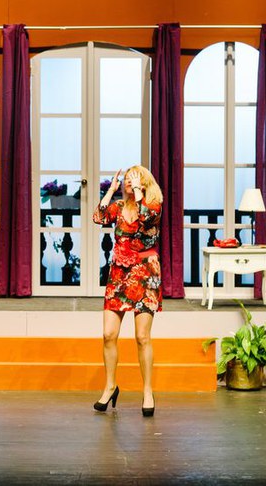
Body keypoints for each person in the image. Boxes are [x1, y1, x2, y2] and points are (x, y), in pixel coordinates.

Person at [92, 165, 163, 416]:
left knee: (142, 337)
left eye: (133, 179)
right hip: (119, 274)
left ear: (144, 182)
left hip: (145, 273)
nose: (128, 183)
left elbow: (146, 218)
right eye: (126, 180)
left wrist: (140, 193)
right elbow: (99, 217)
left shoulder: (154, 205)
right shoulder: (120, 207)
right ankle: (110, 386)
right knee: (108, 334)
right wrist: (110, 191)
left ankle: (147, 391)